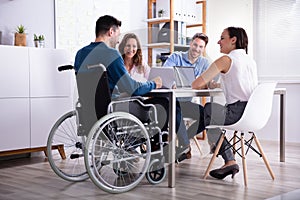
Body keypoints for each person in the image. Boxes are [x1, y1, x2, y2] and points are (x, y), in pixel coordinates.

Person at [74, 15, 190, 158]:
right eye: (117, 34)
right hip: (114, 110)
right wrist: (155, 83)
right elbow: (131, 88)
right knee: (165, 103)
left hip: (89, 111)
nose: (117, 39)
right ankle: (158, 151)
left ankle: (138, 146)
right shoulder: (111, 54)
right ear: (111, 31)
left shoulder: (80, 54)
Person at [191, 27, 258, 179]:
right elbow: (242, 85)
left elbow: (196, 84)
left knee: (208, 109)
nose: (218, 42)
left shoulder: (226, 60)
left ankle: (230, 160)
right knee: (207, 116)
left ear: (233, 40)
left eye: (222, 38)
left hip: (236, 113)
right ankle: (180, 143)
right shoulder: (250, 61)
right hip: (252, 113)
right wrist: (218, 85)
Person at [162, 33, 211, 160]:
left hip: (186, 103)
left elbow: (210, 81)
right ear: (190, 44)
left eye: (201, 47)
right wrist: (172, 84)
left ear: (204, 48)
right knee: (175, 108)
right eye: (195, 45)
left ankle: (184, 142)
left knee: (207, 114)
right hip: (171, 102)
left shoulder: (205, 63)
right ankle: (184, 145)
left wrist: (206, 84)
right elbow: (164, 74)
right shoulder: (175, 57)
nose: (197, 49)